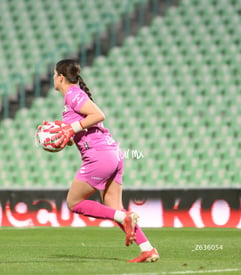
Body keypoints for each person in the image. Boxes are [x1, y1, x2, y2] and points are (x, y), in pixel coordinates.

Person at [45, 59, 159, 263]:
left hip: (99, 156)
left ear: (61, 77)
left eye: (54, 74)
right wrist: (61, 137)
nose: (52, 78)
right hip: (112, 153)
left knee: (74, 202)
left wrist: (71, 129)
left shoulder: (73, 94)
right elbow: (81, 131)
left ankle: (124, 219)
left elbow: (98, 115)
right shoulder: (71, 100)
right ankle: (148, 249)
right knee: (115, 207)